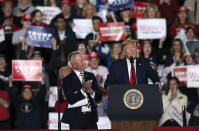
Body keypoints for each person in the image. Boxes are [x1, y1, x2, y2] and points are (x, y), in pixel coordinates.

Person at [61, 51, 102, 129]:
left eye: (83, 59)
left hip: (91, 118)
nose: (84, 62)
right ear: (74, 65)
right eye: (81, 61)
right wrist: (83, 90)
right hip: (75, 119)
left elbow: (99, 96)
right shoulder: (67, 80)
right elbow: (71, 99)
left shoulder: (90, 76)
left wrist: (91, 91)